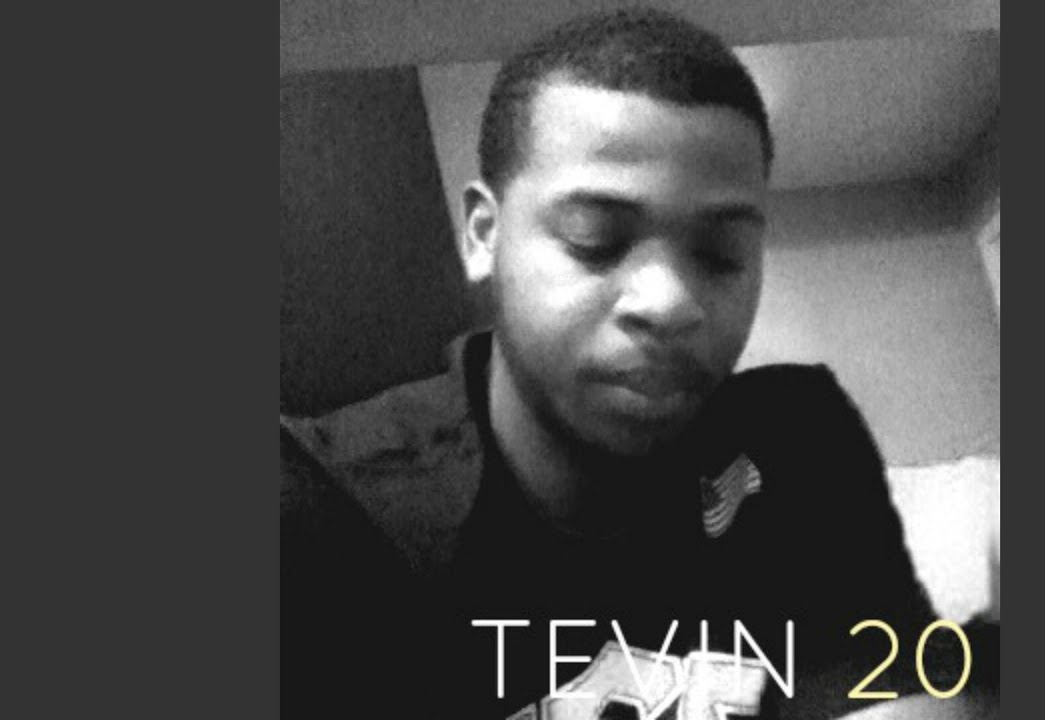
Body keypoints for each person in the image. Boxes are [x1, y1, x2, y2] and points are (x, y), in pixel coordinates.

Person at [281, 7, 987, 719]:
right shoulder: (328, 515)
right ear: (483, 236)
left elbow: (891, 695)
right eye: (595, 238)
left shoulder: (797, 442)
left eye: (721, 254)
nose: (669, 303)